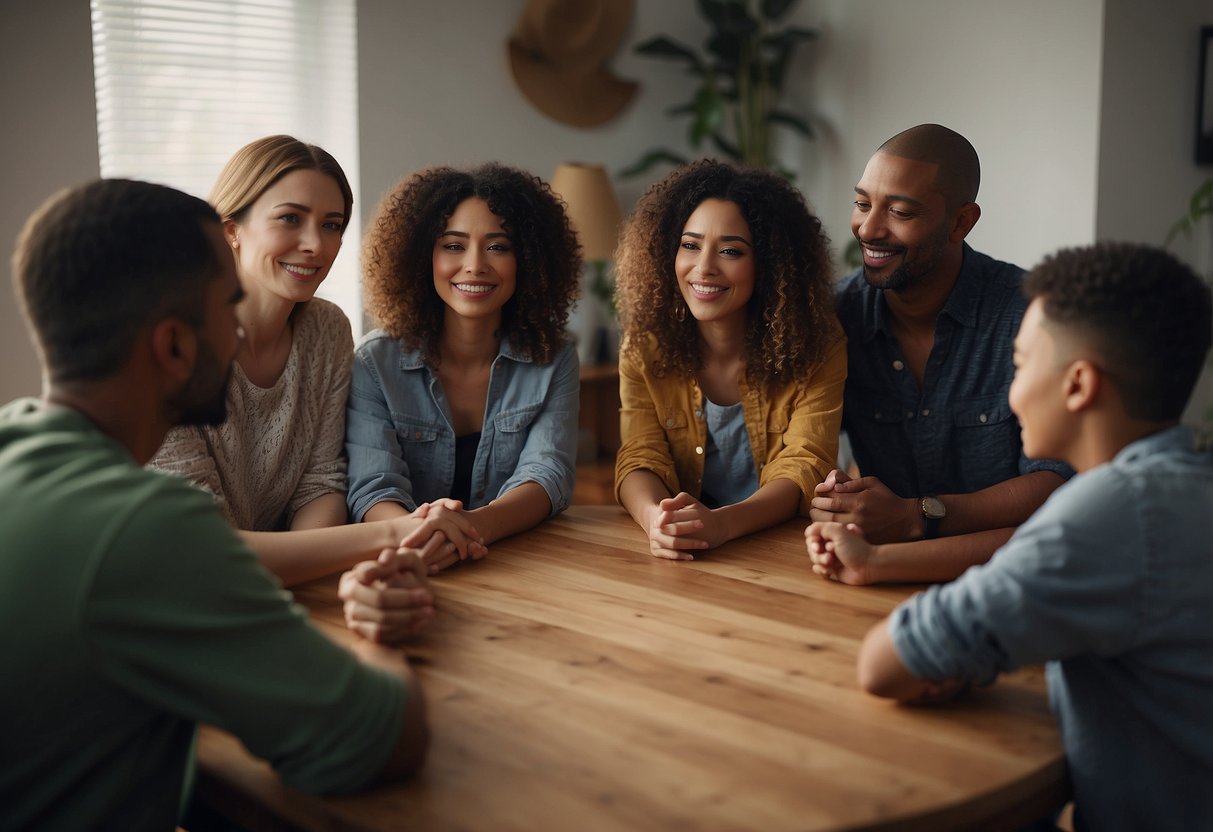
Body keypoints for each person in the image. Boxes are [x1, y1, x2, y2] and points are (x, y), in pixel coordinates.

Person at [1, 179, 430, 830]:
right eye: (228, 309)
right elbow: (380, 740)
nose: (239, 331)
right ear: (174, 346)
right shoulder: (145, 528)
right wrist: (375, 635)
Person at [810, 243, 1213, 831]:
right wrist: (877, 564)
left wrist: (946, 651)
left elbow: (885, 663)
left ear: (1079, 385)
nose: (1012, 391)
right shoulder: (1185, 485)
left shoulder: (1104, 516)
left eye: (1020, 366)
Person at [149, 135, 479, 606]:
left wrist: (312, 575)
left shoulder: (326, 328)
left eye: (332, 224)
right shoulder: (169, 347)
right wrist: (395, 533)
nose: (315, 245)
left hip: (282, 591)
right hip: (173, 606)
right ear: (231, 231)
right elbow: (203, 551)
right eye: (290, 218)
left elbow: (321, 483)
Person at [808, 123, 1069, 583]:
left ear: (961, 222)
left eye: (901, 212)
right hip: (866, 576)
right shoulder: (836, 317)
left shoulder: (1032, 316)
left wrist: (920, 515)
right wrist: (837, 497)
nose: (867, 229)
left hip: (1014, 582)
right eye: (862, 203)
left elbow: (1058, 486)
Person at [346, 163, 581, 570]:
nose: (475, 265)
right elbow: (372, 485)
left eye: (498, 246)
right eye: (453, 245)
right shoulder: (373, 362)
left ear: (528, 260)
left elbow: (548, 474)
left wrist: (470, 528)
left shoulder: (554, 358)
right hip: (405, 564)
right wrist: (419, 539)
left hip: (516, 563)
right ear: (422, 256)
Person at [613, 159, 846, 560]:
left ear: (769, 264)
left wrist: (722, 524)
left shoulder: (818, 346)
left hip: (782, 549)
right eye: (690, 245)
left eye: (730, 251)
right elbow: (639, 453)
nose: (703, 268)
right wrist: (655, 518)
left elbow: (804, 465)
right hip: (685, 552)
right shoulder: (644, 346)